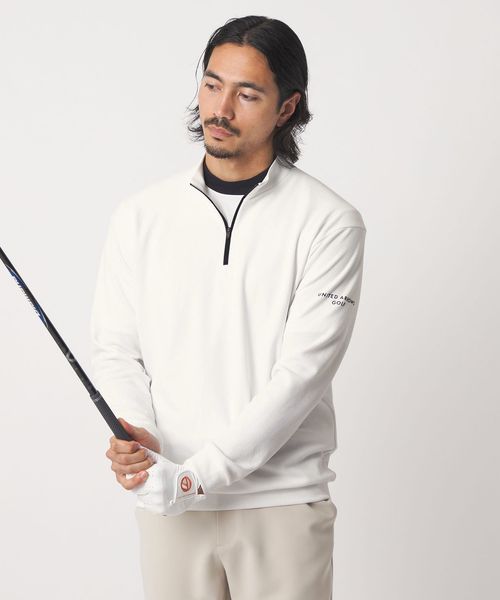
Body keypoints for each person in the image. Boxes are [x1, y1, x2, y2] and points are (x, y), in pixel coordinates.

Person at [90, 14, 366, 600]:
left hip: (281, 504)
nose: (220, 108)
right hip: (170, 504)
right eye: (212, 84)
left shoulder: (330, 222)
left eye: (247, 93)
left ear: (287, 108)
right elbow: (116, 347)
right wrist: (141, 433)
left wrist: (196, 477)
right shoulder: (140, 216)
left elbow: (301, 377)